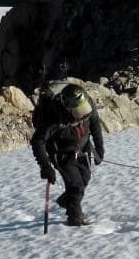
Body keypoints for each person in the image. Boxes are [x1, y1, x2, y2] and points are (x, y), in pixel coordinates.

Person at [31, 82, 105, 227]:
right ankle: (75, 217)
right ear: (68, 108)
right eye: (78, 111)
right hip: (62, 154)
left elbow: (95, 123)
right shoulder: (53, 117)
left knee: (85, 178)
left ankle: (66, 200)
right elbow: (37, 141)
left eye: (84, 109)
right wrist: (45, 166)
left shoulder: (86, 102)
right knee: (75, 184)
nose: (83, 114)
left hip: (83, 149)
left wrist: (99, 148)